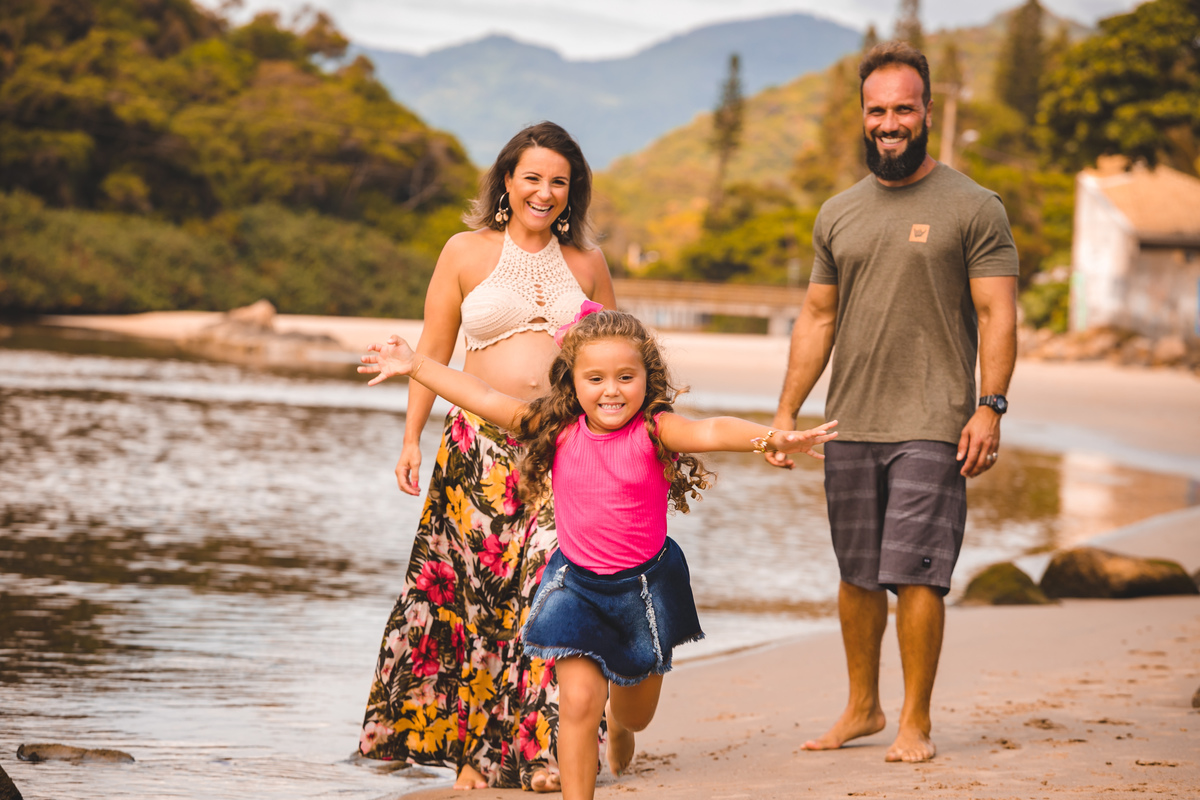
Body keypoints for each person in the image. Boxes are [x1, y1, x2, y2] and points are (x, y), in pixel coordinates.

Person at [359, 307, 839, 800]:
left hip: (643, 593)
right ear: (572, 381)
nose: (611, 390)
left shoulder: (655, 430)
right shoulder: (556, 427)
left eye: (626, 377)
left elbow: (713, 430)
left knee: (635, 713)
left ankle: (623, 722)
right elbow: (482, 396)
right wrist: (416, 364)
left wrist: (770, 439)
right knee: (577, 705)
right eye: (596, 378)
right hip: (575, 587)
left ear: (646, 378)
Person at [766, 41, 1018, 764]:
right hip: (851, 421)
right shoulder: (839, 212)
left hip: (935, 422)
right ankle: (862, 706)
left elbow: (999, 314)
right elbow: (816, 319)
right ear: (864, 116)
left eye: (903, 108)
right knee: (856, 574)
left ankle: (915, 722)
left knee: (916, 572)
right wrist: (787, 414)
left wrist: (990, 405)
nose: (889, 122)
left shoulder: (974, 207)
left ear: (928, 112)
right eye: (877, 110)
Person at [356, 121, 616, 791]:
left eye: (559, 181)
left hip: (559, 454)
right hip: (475, 456)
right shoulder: (466, 252)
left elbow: (617, 358)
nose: (545, 192)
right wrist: (413, 436)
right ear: (506, 180)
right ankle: (475, 753)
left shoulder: (588, 264)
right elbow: (433, 349)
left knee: (550, 597)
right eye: (532, 177)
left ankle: (547, 752)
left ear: (572, 191)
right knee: (473, 603)